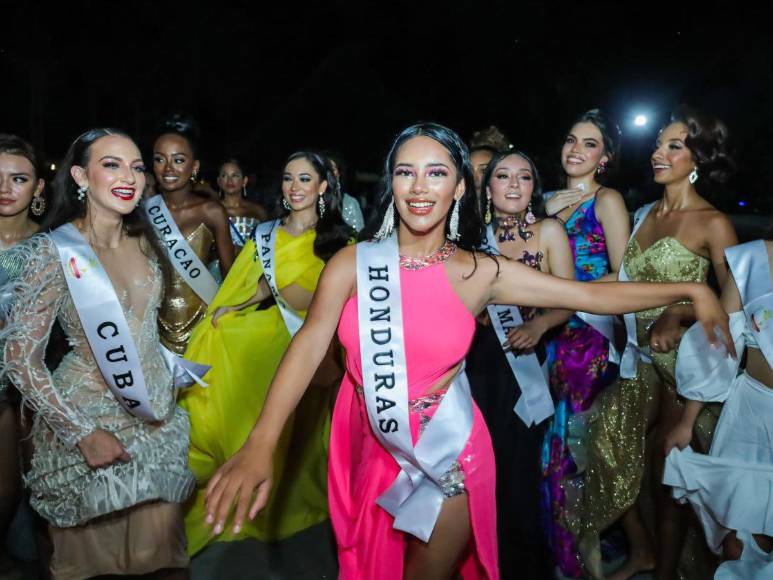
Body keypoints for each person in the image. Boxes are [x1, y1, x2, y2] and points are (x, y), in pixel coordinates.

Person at [202, 122, 731, 580]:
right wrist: (261, 442)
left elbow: (591, 295)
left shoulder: (479, 272)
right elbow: (310, 341)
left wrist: (693, 290)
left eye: (436, 172)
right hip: (370, 441)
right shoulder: (352, 265)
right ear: (391, 182)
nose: (419, 186)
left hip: (450, 451)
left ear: (459, 188)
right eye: (406, 171)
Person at [0, 129, 196, 579]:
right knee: (93, 566)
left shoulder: (147, 241)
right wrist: (82, 433)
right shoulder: (53, 251)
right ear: (79, 176)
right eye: (112, 164)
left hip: (156, 426)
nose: (129, 176)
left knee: (163, 560)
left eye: (136, 167)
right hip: (87, 426)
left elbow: (146, 328)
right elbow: (19, 358)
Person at [576, 106, 738, 580]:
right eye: (658, 144)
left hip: (685, 370)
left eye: (674, 146)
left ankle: (664, 571)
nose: (658, 153)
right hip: (640, 360)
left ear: (699, 159)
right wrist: (554, 300)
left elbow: (732, 314)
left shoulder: (714, 223)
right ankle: (642, 550)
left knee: (670, 474)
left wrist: (679, 309)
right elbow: (624, 281)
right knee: (608, 445)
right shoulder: (644, 215)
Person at [179, 151, 350, 555]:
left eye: (305, 179)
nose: (295, 187)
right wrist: (232, 307)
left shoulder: (340, 239)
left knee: (295, 421)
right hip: (274, 328)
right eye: (289, 178)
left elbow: (339, 298)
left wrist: (302, 295)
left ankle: (283, 493)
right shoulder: (266, 233)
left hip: (313, 340)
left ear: (323, 186)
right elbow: (259, 285)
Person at [465, 150, 575, 578]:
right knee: (476, 469)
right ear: (488, 187)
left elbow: (570, 300)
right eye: (503, 176)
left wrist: (542, 325)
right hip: (474, 364)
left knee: (517, 474)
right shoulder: (471, 235)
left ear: (534, 187)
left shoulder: (549, 231)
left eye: (524, 177)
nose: (513, 184)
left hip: (525, 361)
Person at [539, 109, 631, 576]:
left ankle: (586, 555)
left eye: (589, 143)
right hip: (549, 338)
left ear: (605, 157)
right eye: (571, 139)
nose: (576, 149)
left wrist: (568, 296)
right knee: (552, 446)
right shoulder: (546, 200)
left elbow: (623, 272)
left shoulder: (607, 200)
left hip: (589, 339)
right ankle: (564, 550)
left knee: (579, 450)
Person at [663, 238, 773, 578]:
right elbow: (721, 341)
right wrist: (686, 421)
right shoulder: (754, 259)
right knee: (737, 541)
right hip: (750, 417)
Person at [0, 134, 45, 580]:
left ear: (38, 188)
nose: (6, 188)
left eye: (19, 178)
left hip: (24, 389)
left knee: (17, 484)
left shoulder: (53, 246)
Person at [152, 115, 235, 354]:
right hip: (153, 329)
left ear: (194, 167)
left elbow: (230, 275)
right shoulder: (144, 212)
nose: (168, 168)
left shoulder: (211, 211)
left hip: (203, 325)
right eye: (160, 159)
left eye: (178, 160)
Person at [216, 157, 267, 248]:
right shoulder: (211, 210)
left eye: (235, 175)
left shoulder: (258, 211)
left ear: (244, 181)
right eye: (224, 175)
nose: (229, 180)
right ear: (219, 181)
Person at [326, 152, 365, 233]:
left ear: (339, 173)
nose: (327, 173)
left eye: (332, 169)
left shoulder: (350, 202)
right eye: (325, 169)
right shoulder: (310, 200)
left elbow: (359, 235)